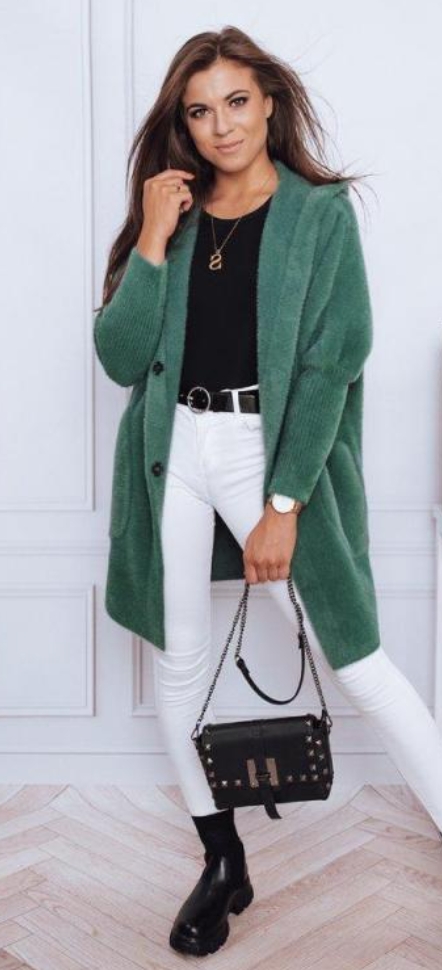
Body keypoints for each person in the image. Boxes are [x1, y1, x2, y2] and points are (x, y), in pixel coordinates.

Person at [94, 26, 442, 958]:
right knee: (179, 664)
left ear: (270, 104)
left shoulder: (319, 215)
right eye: (200, 111)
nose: (222, 126)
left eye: (237, 102)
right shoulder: (173, 215)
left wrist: (284, 503)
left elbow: (336, 360)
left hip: (267, 449)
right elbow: (120, 357)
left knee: (358, 662)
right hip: (174, 448)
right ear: (184, 124)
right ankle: (222, 861)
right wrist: (153, 238)